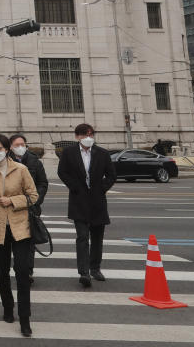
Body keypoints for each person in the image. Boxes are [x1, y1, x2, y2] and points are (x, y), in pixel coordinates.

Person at [0, 133, 38, 338]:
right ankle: (7, 308)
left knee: (21, 271)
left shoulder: (21, 169)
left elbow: (33, 195)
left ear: (7, 149)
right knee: (2, 271)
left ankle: (25, 318)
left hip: (20, 226)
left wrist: (12, 201)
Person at [57, 123, 116, 288]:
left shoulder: (102, 153)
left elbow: (111, 175)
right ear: (77, 136)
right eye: (84, 135)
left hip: (97, 201)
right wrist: (74, 186)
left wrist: (102, 188)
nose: (88, 138)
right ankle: (84, 272)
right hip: (78, 200)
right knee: (82, 237)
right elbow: (62, 172)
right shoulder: (69, 153)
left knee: (97, 237)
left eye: (91, 134)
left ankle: (95, 268)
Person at [9, 134, 48, 283]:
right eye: (17, 144)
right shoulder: (6, 160)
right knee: (13, 242)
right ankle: (18, 268)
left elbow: (42, 183)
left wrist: (35, 200)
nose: (20, 147)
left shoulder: (34, 161)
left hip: (30, 208)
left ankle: (27, 271)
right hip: (11, 207)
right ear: (11, 147)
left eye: (22, 144)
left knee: (29, 243)